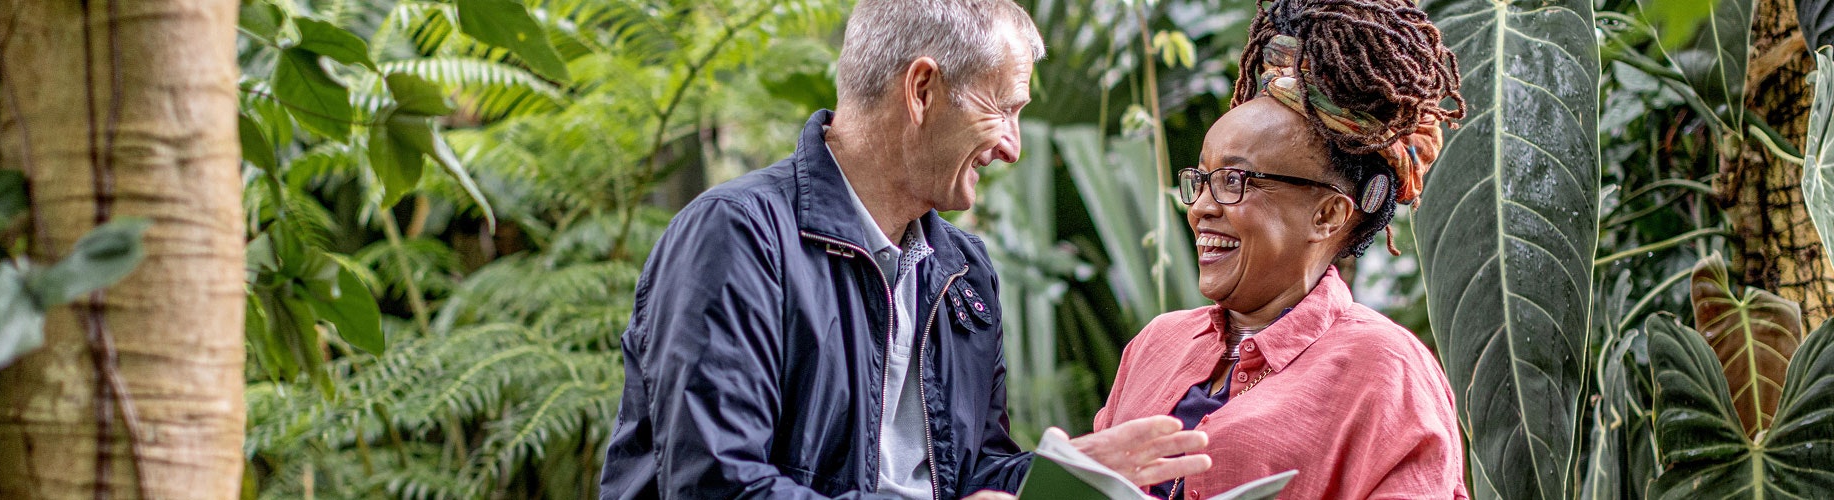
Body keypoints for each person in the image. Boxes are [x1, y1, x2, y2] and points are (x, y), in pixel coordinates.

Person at [601, 1, 1210, 498]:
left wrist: (1063, 477)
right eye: (1003, 108)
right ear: (922, 90)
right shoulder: (737, 236)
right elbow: (716, 487)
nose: (1013, 148)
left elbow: (968, 479)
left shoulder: (964, 274)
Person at [1093, 0, 1470, 498]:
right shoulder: (1157, 345)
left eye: (1234, 180)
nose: (1201, 207)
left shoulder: (1385, 369)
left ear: (1328, 215)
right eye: (1201, 180)